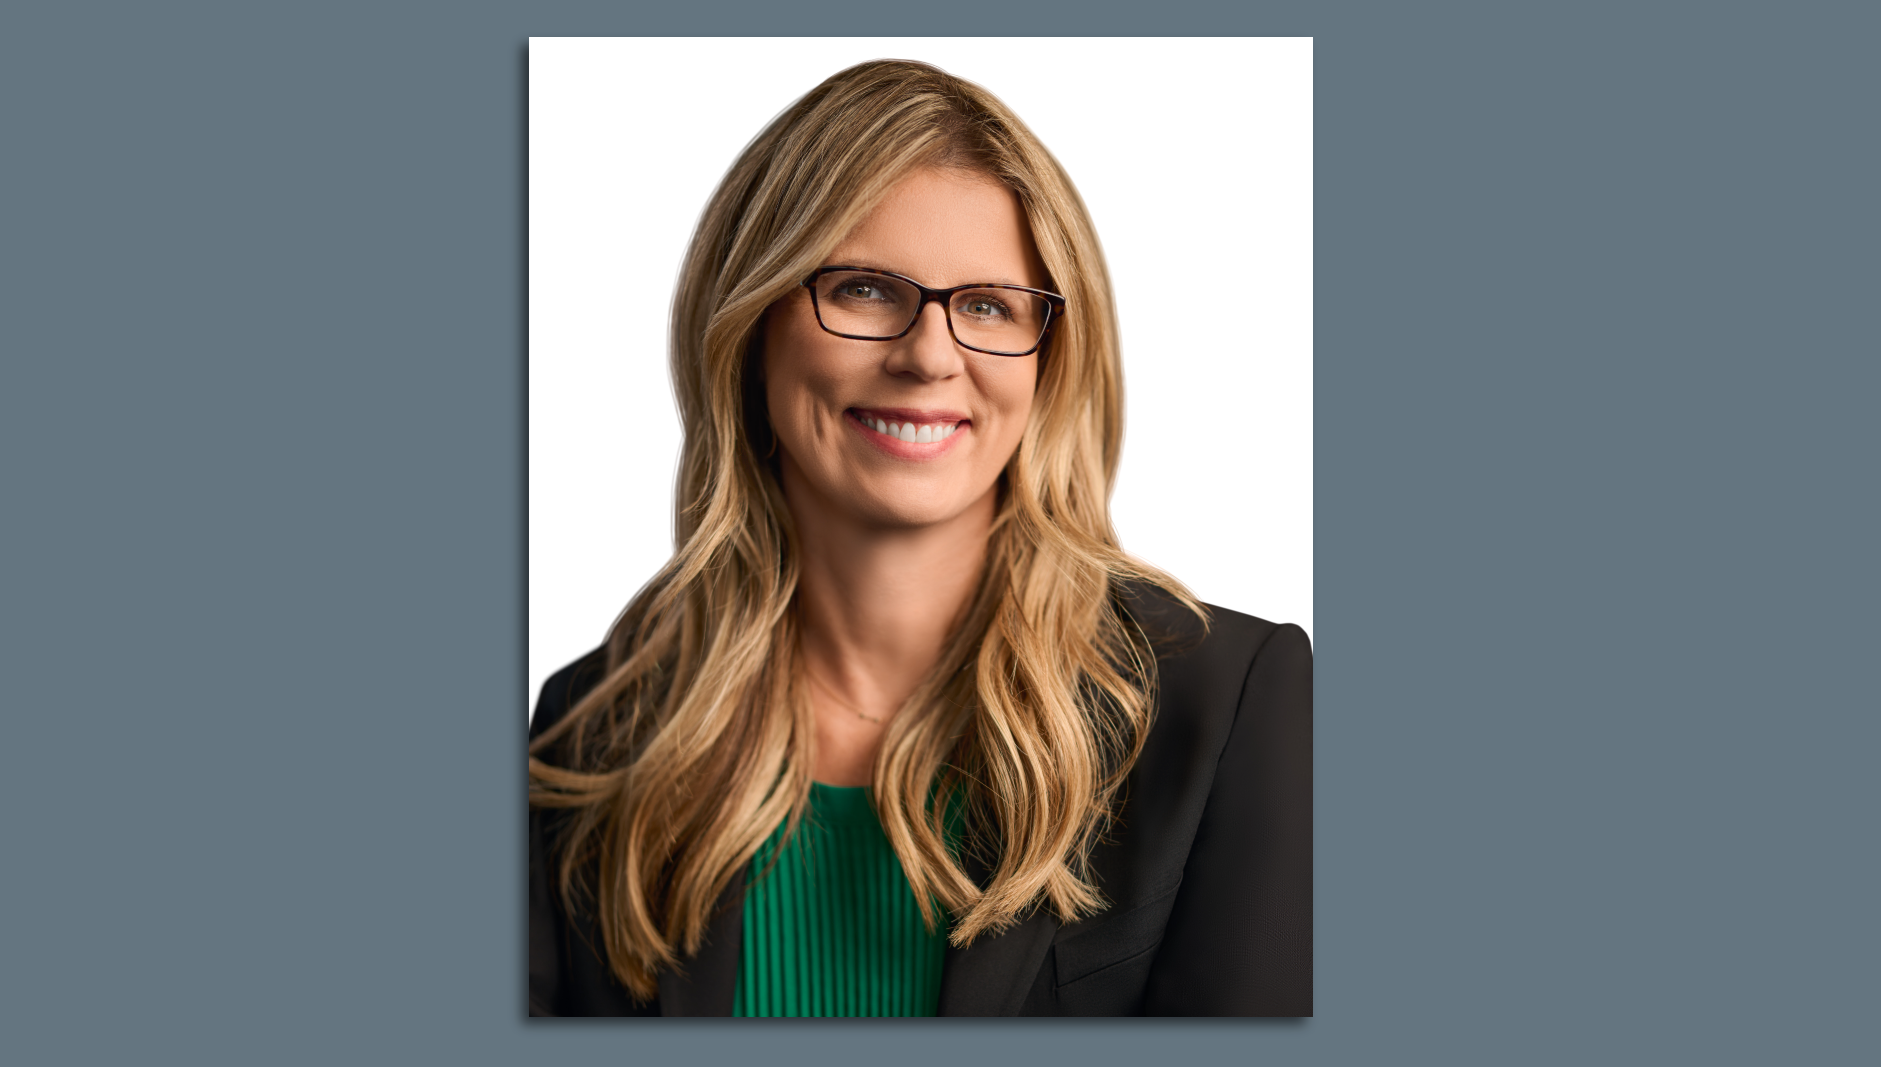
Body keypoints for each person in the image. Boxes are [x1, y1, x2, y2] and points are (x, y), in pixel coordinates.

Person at [528, 59, 1311, 1017]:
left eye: (988, 305)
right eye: (863, 289)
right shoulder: (591, 734)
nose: (930, 355)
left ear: (1051, 358)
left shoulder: (1226, 704)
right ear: (750, 327)